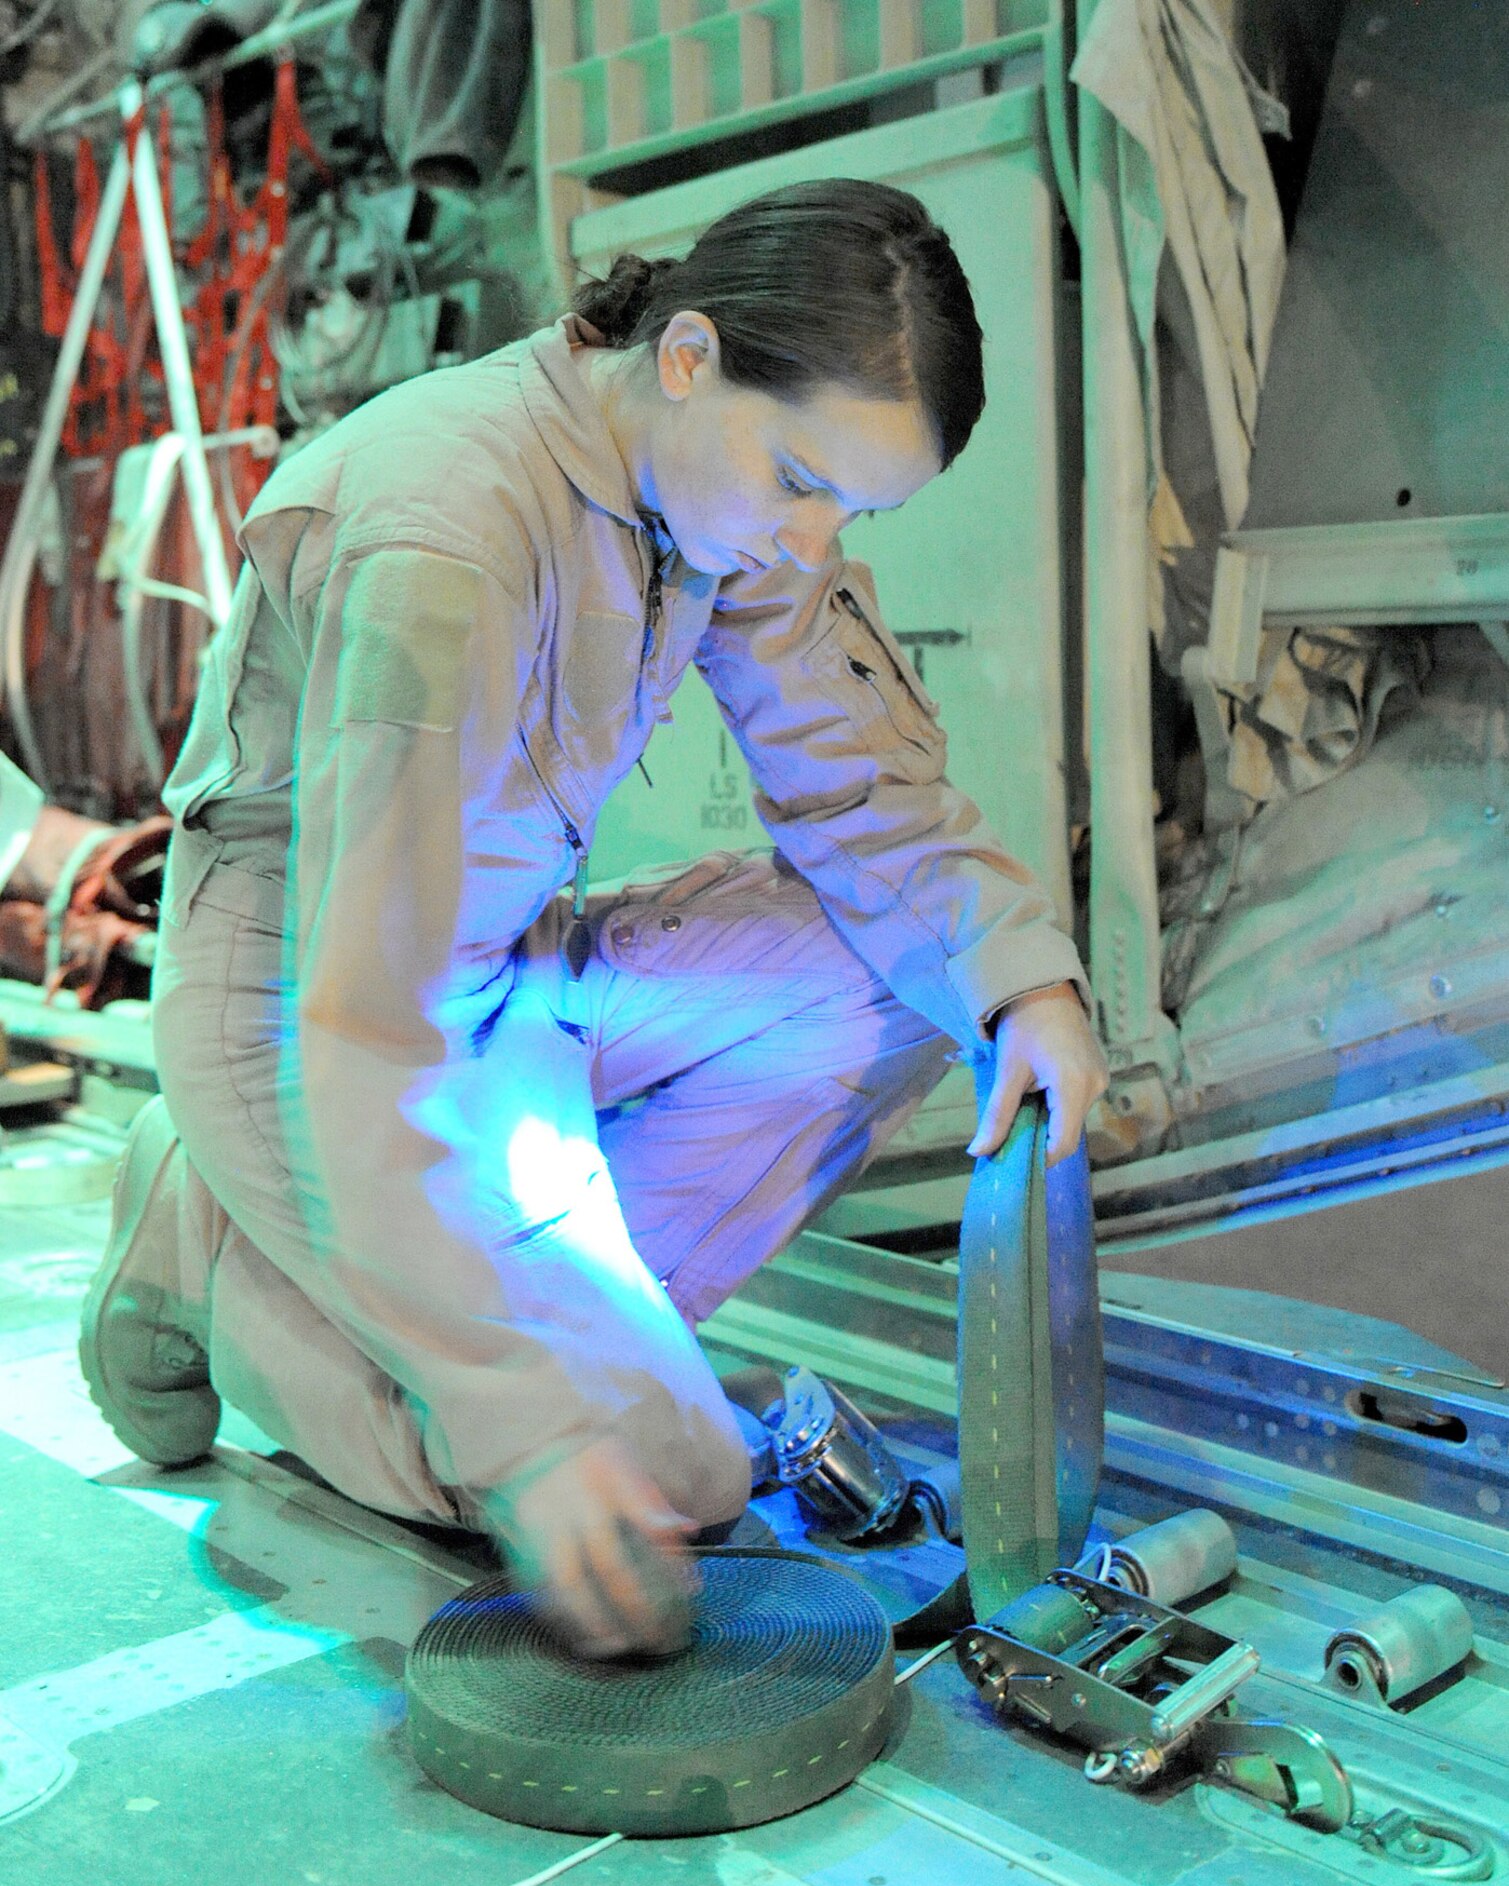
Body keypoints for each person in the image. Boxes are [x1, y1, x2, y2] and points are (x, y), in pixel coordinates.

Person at [80, 179, 1107, 1657]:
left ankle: (475, 1310)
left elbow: (859, 791)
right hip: (307, 1014)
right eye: (804, 481)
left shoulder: (707, 492)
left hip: (492, 970)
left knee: (910, 977)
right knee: (646, 1485)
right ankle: (200, 1246)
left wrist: (1020, 983)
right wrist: (528, 1432)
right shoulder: (447, 539)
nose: (815, 543)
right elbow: (373, 1021)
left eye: (853, 511)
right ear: (685, 355)